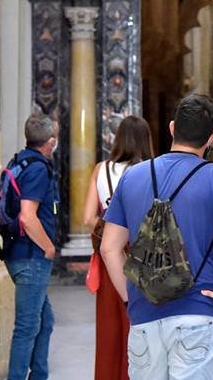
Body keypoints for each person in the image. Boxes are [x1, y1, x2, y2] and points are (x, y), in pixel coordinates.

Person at [100, 94, 213, 379]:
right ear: (211, 138)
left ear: (172, 128)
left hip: (144, 315)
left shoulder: (133, 176)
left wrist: (131, 295)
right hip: (199, 312)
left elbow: (109, 249)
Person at [82, 115, 154, 380]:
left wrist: (112, 227)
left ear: (118, 138)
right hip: (143, 257)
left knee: (110, 327)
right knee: (140, 326)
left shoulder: (101, 169)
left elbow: (88, 217)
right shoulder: (150, 170)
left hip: (108, 257)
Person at [3, 114, 61, 380]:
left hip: (19, 254)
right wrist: (48, 247)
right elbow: (28, 215)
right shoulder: (38, 169)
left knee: (44, 322)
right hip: (32, 257)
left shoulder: (20, 161)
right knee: (26, 326)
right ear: (50, 142)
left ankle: (39, 375)